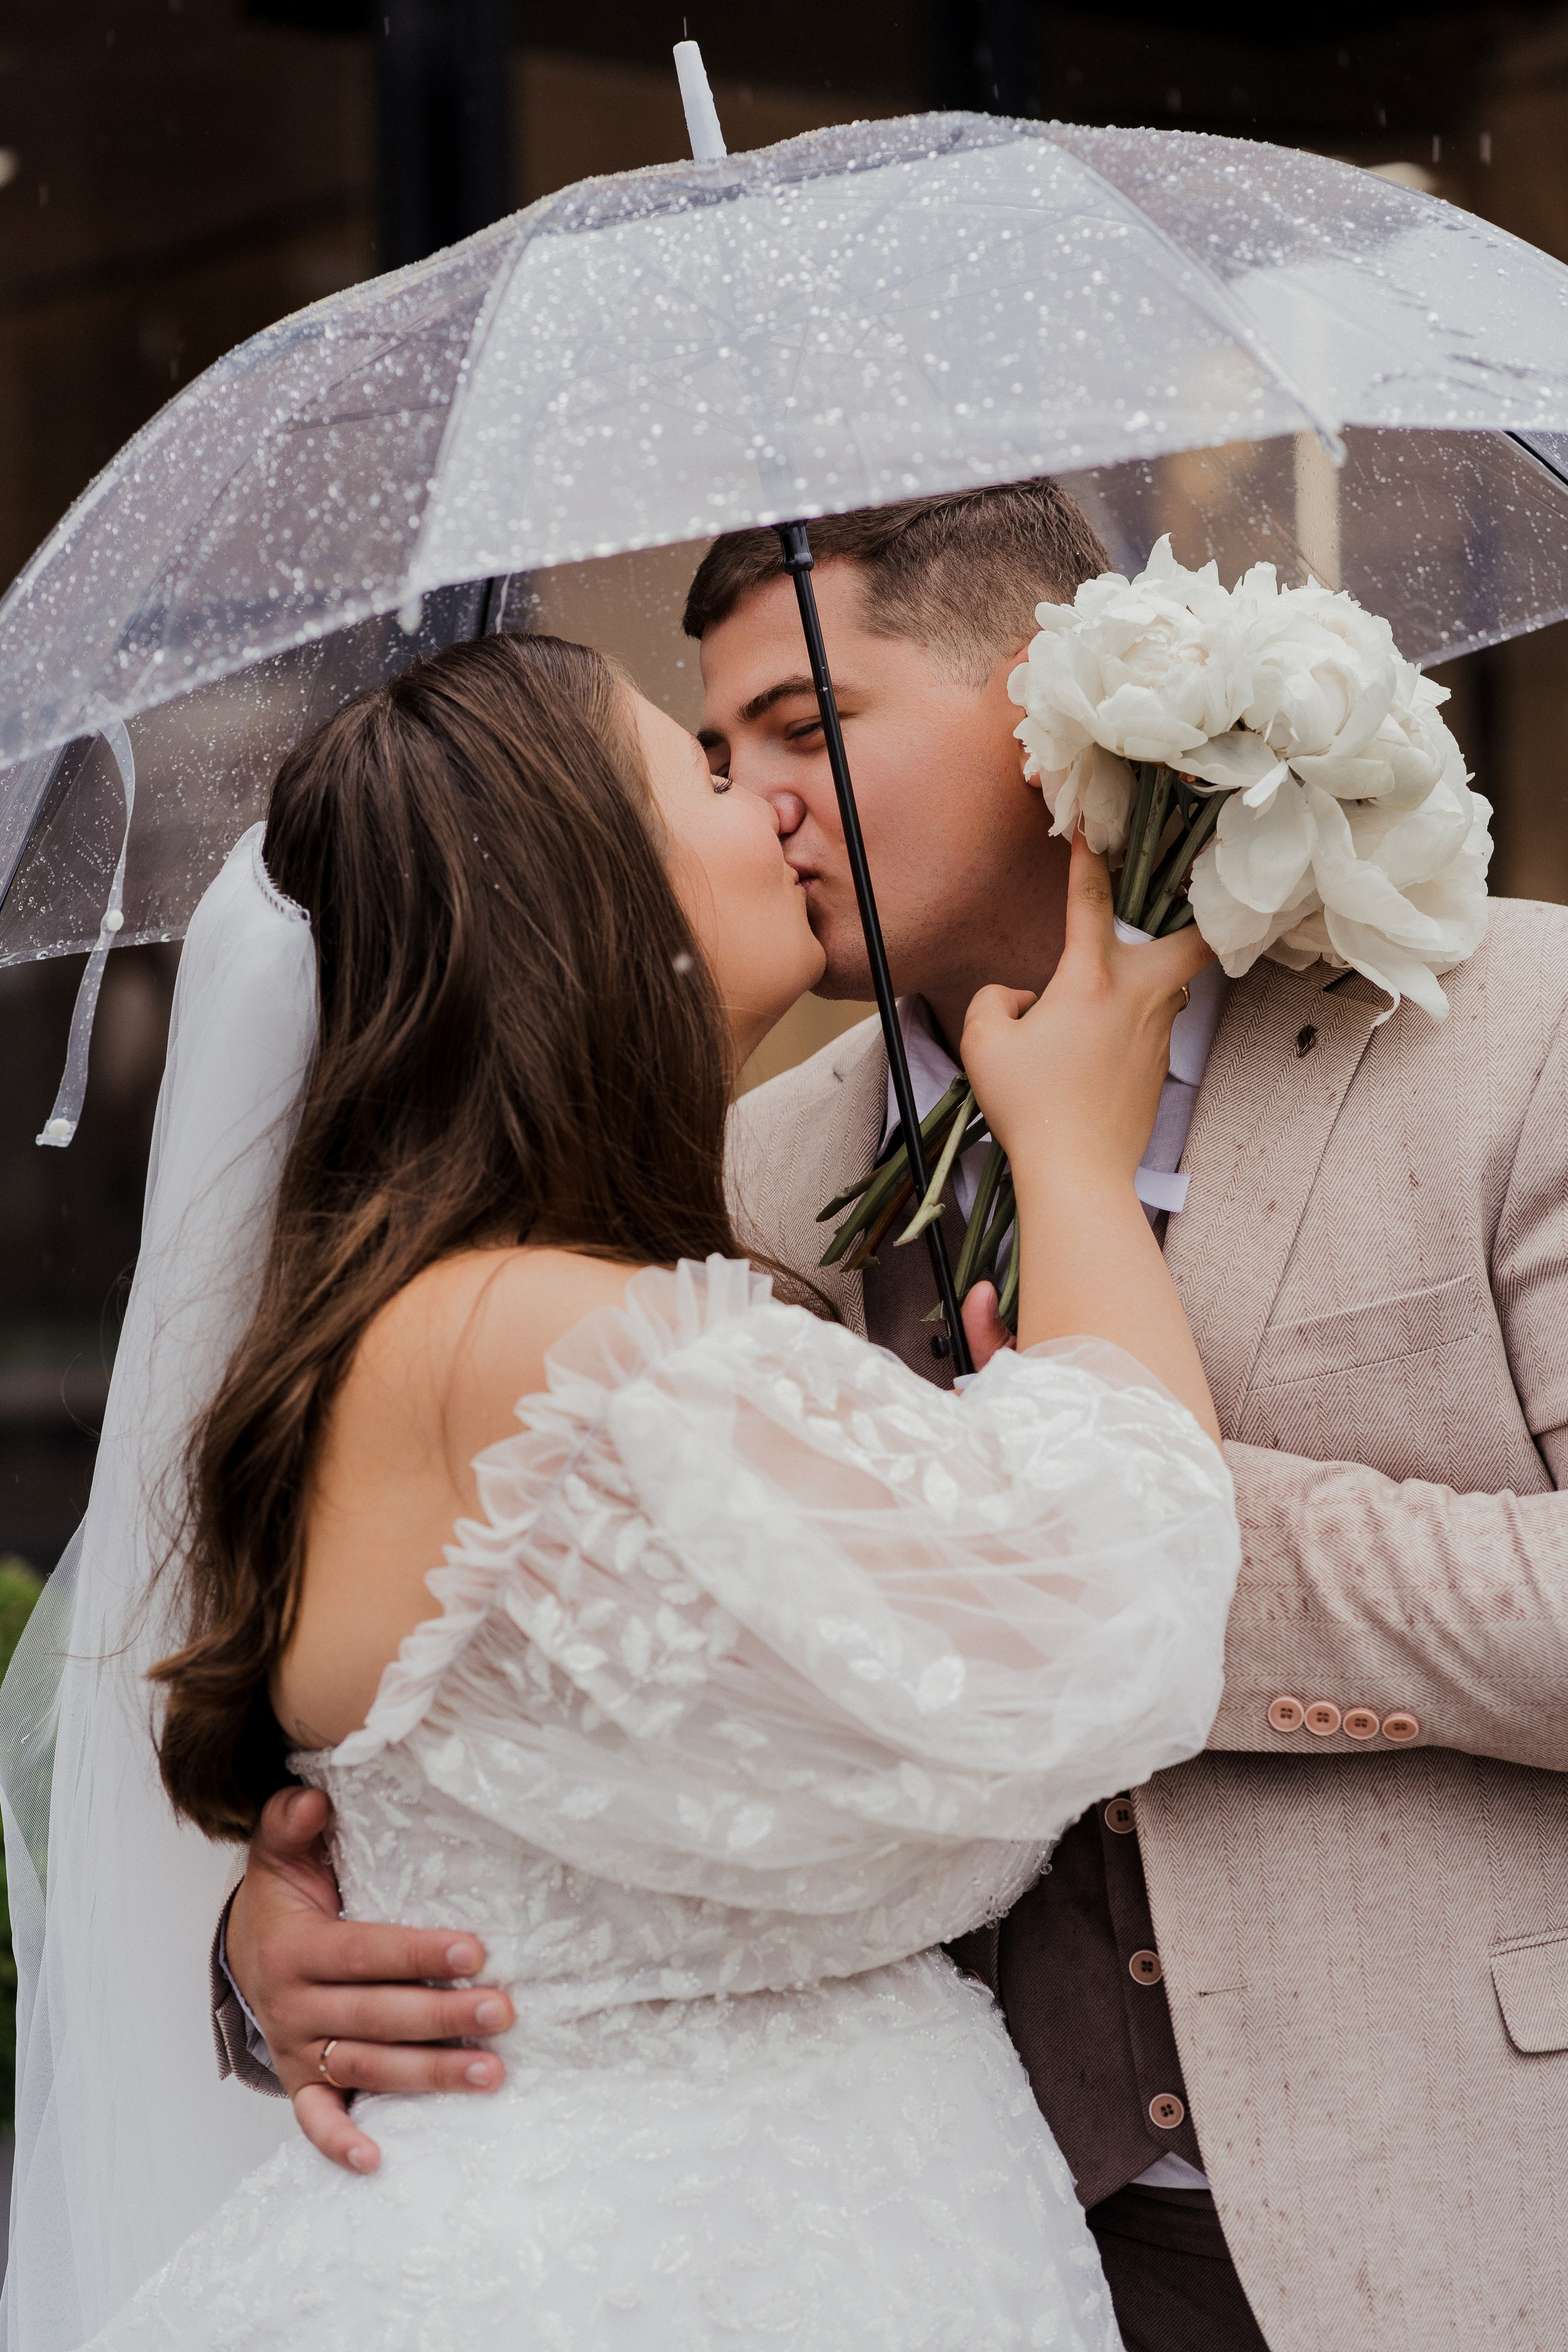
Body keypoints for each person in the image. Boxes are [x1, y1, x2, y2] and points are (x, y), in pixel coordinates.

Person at [227, 482, 1568, 2352]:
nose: (763, 799)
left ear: (1047, 708)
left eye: (807, 728)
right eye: (706, 759)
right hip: (922, 2241)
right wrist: (285, 1933)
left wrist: (1139, 1519)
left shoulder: (1518, 1027)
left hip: (1451, 2212)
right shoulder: (728, 1186)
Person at [36, 628, 1238, 2350]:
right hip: (682, 2270)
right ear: (589, 892)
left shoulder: (429, 1319)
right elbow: (1109, 1611)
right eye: (707, 773)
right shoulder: (535, 1338)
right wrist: (1068, 1152)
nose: (769, 808)